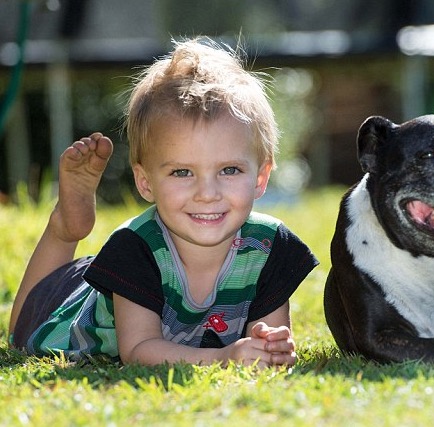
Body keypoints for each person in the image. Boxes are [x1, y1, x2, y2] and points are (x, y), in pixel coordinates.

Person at [8, 38, 319, 368]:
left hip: (131, 277)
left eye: (229, 170)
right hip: (80, 303)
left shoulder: (270, 247)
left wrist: (268, 347)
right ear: (145, 182)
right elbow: (139, 349)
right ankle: (65, 229)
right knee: (21, 330)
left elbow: (268, 336)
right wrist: (224, 357)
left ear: (260, 176)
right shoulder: (134, 248)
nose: (207, 192)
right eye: (183, 172)